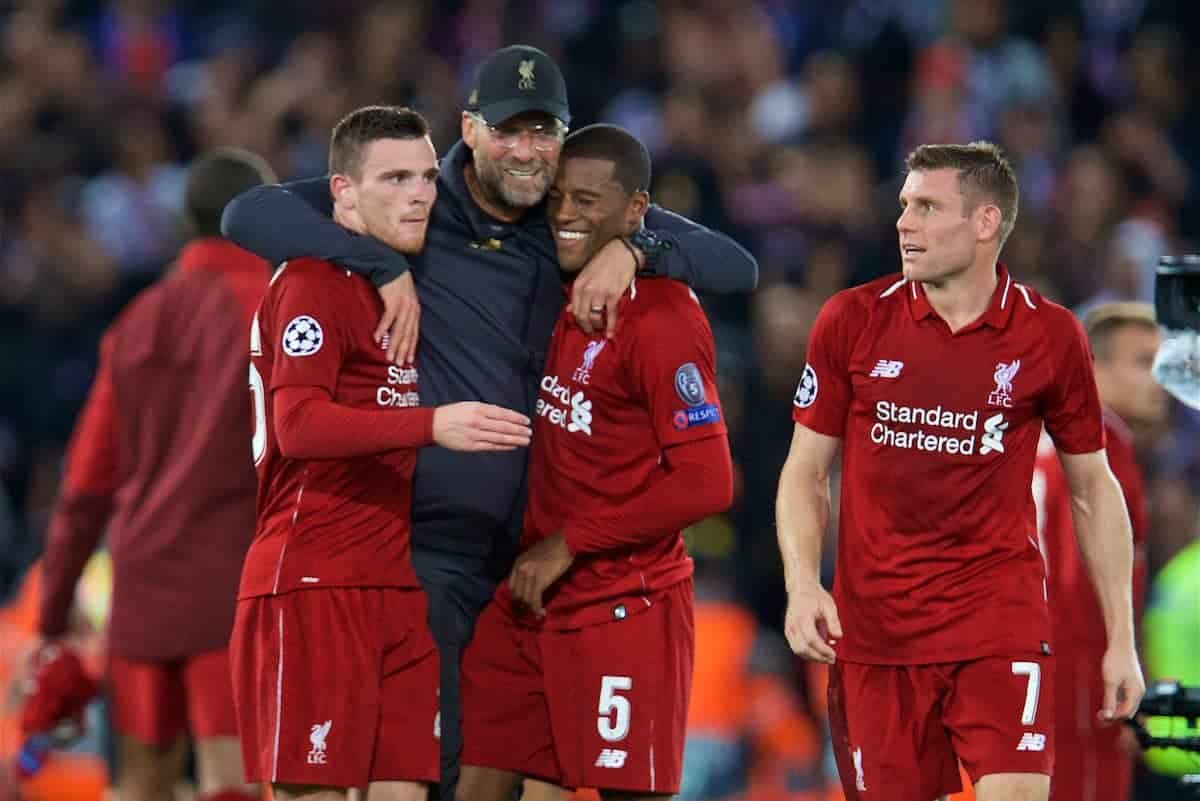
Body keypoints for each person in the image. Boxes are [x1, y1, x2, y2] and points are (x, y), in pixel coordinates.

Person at [221, 45, 758, 800]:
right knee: (432, 778)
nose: (527, 150)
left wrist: (636, 250)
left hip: (534, 561)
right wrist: (379, 264)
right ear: (469, 130)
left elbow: (736, 265)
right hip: (427, 552)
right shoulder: (417, 204)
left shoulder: (570, 215)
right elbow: (247, 210)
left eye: (544, 133)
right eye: (509, 130)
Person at [775, 141, 1145, 801]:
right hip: (878, 634)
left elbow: (1094, 488)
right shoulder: (852, 321)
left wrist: (1123, 638)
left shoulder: (1051, 336)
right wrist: (802, 582)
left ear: (984, 223)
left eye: (925, 206)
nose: (903, 223)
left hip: (998, 621)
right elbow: (804, 473)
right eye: (903, 205)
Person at [228, 105, 532, 801]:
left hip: (393, 582)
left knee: (408, 788)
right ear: (341, 191)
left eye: (427, 176)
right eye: (394, 178)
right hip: (313, 579)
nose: (420, 194)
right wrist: (434, 425)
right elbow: (298, 426)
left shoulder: (388, 285)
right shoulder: (310, 283)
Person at [450, 123, 733, 801]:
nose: (566, 215)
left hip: (622, 607)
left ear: (636, 209)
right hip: (528, 604)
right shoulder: (551, 284)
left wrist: (569, 543)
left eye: (587, 200)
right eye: (558, 199)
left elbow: (708, 479)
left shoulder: (662, 319)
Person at [35, 148, 276, 801]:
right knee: (236, 785)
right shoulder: (278, 310)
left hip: (142, 592)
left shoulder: (137, 319)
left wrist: (54, 610)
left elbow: (85, 485)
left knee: (142, 786)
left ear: (186, 224)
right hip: (235, 589)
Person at [1032, 301, 1162, 801]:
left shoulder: (1053, 436)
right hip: (1080, 671)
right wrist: (1120, 667)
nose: (1159, 380)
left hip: (1040, 665)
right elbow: (1074, 577)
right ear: (1095, 368)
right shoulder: (1101, 445)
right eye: (1143, 362)